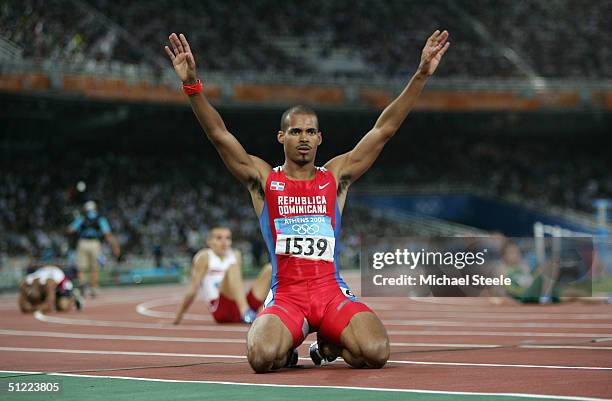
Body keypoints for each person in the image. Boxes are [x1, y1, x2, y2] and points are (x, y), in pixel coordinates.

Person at [164, 29, 450, 372]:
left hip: (331, 293)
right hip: (287, 297)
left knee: (375, 353)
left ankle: (328, 344)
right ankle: (291, 347)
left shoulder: (336, 177)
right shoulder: (264, 180)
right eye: (296, 131)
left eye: (311, 132)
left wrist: (420, 76)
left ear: (319, 138)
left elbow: (383, 130)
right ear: (282, 136)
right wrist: (193, 87)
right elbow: (219, 135)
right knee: (261, 357)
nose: (304, 139)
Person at [173, 227, 271, 324]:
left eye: (227, 238)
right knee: (232, 267)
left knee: (269, 269)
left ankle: (266, 309)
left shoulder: (235, 254)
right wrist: (178, 316)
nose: (224, 242)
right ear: (209, 242)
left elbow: (237, 284)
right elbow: (193, 289)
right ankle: (245, 312)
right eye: (219, 238)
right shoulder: (204, 257)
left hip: (239, 303)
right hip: (220, 308)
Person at [67, 201, 120, 297]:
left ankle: (82, 286)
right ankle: (94, 289)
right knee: (94, 268)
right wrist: (114, 246)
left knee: (81, 268)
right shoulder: (100, 218)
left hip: (82, 243)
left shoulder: (82, 218)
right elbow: (107, 233)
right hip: (95, 243)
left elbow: (71, 230)